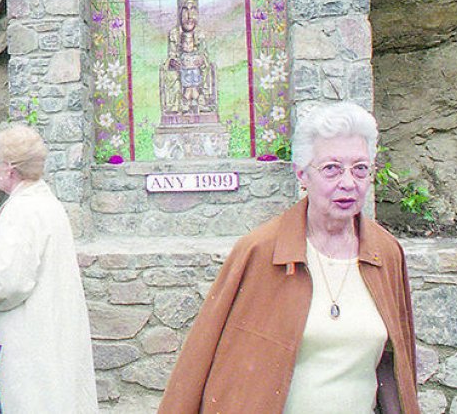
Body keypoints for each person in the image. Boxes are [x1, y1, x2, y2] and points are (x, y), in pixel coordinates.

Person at [159, 101, 419, 413]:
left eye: (360, 169)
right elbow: (200, 360)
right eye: (331, 168)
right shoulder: (260, 251)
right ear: (302, 175)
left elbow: (394, 365)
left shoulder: (385, 252)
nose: (348, 183)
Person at [0, 124, 98, 413]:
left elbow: (8, 285)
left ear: (9, 168)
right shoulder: (47, 203)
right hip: (51, 331)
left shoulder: (21, 211)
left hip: (28, 341)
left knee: (30, 401)